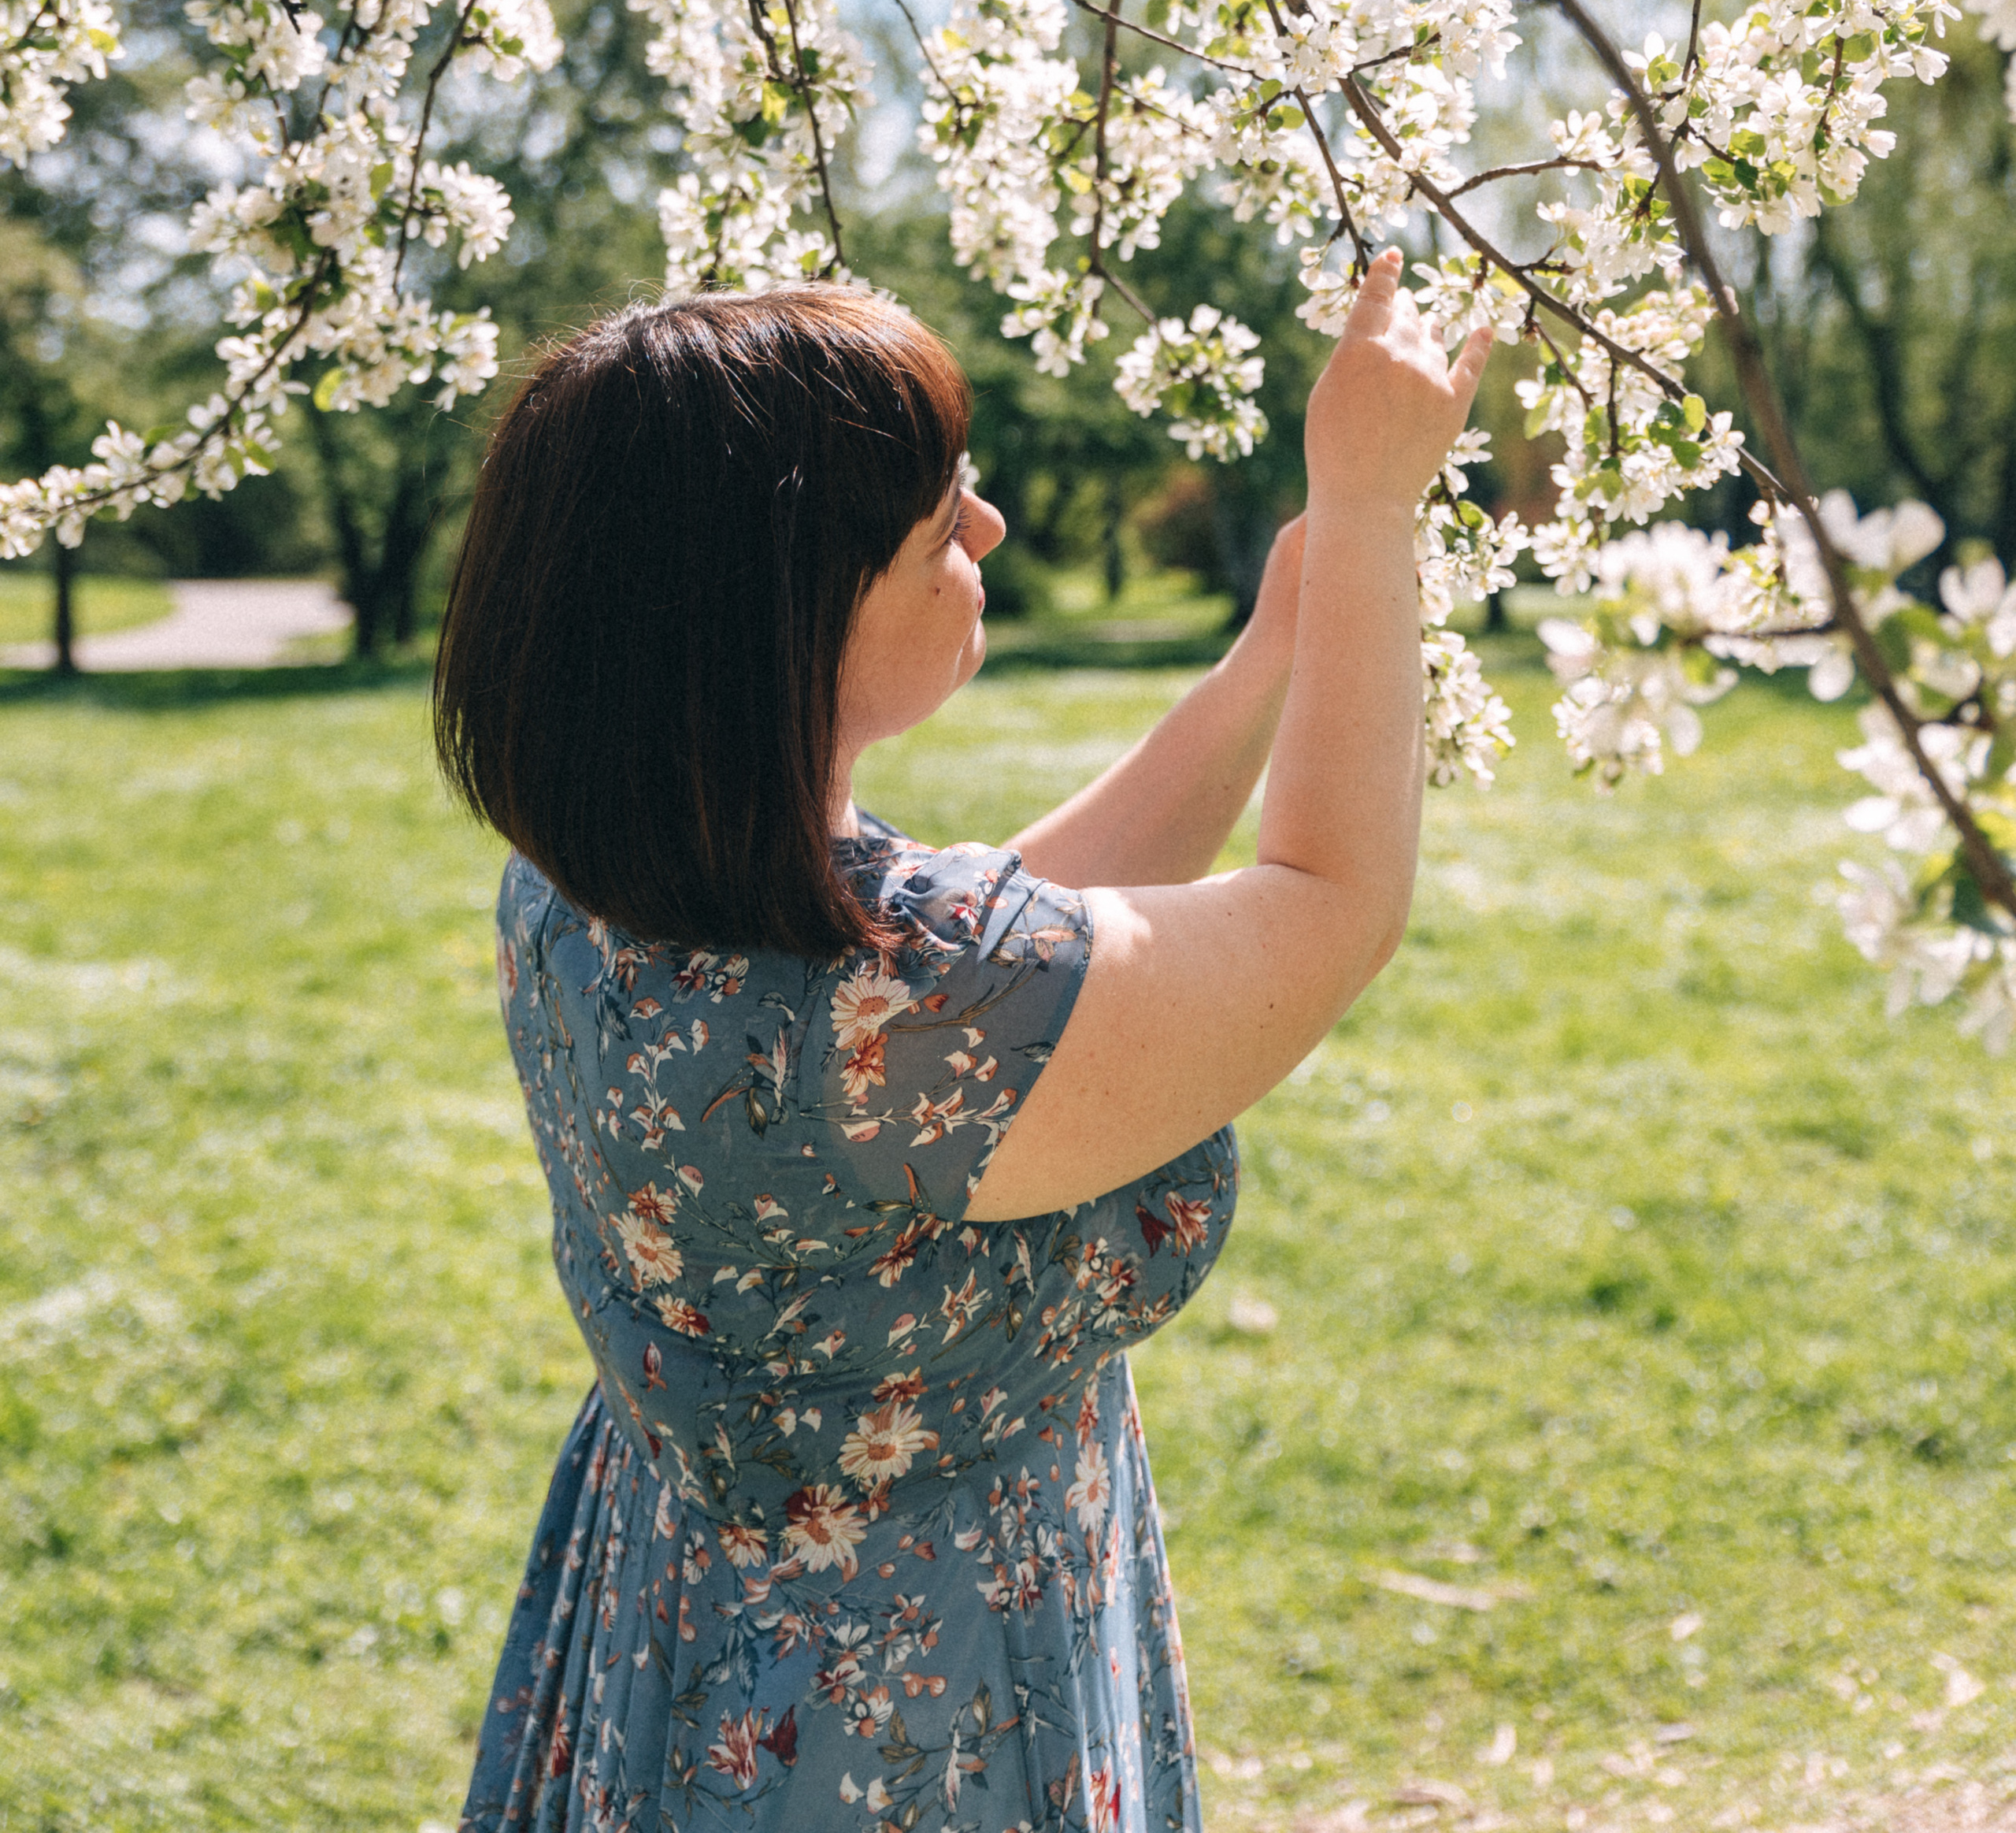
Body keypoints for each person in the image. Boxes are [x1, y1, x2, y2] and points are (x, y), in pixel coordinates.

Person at [435, 253, 1489, 1831]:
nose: (983, 531)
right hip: (912, 1699)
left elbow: (1015, 956)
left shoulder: (592, 889)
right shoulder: (895, 1017)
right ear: (777, 615)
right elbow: (1324, 908)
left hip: (692, 1615)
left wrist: (1272, 651)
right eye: (938, 520)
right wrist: (1362, 520)